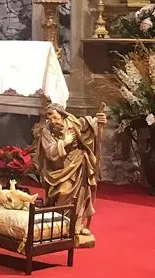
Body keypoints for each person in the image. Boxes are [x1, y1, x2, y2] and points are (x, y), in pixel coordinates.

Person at [32, 104, 107, 247]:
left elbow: (88, 125)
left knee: (80, 194)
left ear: (62, 115)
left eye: (55, 117)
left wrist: (99, 122)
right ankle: (61, 226)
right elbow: (49, 152)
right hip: (58, 168)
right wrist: (64, 142)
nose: (53, 121)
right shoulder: (47, 131)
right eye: (49, 118)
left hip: (78, 162)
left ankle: (76, 225)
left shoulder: (72, 121)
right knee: (63, 191)